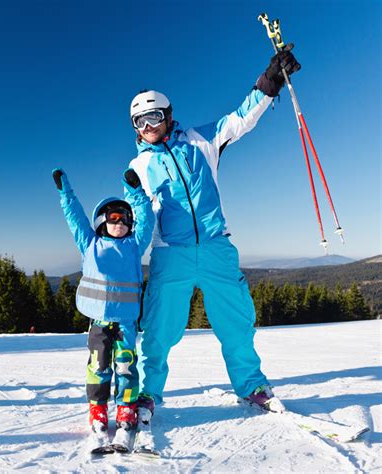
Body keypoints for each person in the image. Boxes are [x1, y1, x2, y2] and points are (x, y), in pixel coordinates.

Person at [126, 46, 301, 424]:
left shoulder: (201, 141)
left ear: (168, 116)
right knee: (158, 330)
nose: (147, 127)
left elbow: (240, 120)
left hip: (216, 246)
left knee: (236, 322)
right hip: (170, 254)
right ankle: (147, 393)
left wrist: (269, 82)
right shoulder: (137, 166)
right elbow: (137, 217)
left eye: (153, 117)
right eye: (138, 122)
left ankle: (252, 386)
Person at [52, 166, 154, 447]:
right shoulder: (90, 244)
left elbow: (147, 219)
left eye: (124, 218)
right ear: (103, 221)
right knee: (98, 368)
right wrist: (65, 193)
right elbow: (75, 219)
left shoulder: (134, 245)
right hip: (98, 322)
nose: (119, 222)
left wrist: (135, 193)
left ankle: (125, 412)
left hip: (126, 324)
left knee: (125, 367)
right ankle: (98, 412)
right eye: (113, 217)